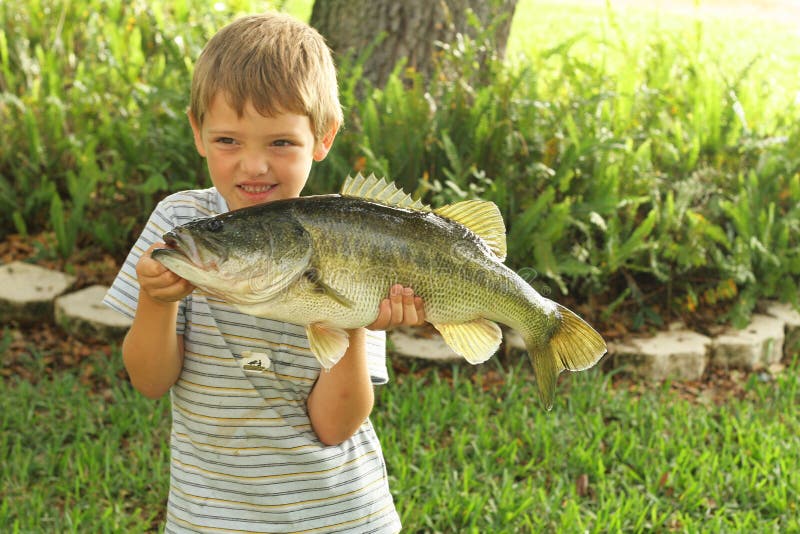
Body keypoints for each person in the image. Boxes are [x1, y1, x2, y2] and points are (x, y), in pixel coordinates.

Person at [104, 11, 424, 533]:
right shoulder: (180, 226)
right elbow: (150, 380)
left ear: (323, 137)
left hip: (339, 518)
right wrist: (157, 302)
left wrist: (353, 323)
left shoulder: (354, 237)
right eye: (229, 140)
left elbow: (335, 425)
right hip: (210, 521)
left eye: (280, 143)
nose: (254, 166)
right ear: (198, 132)